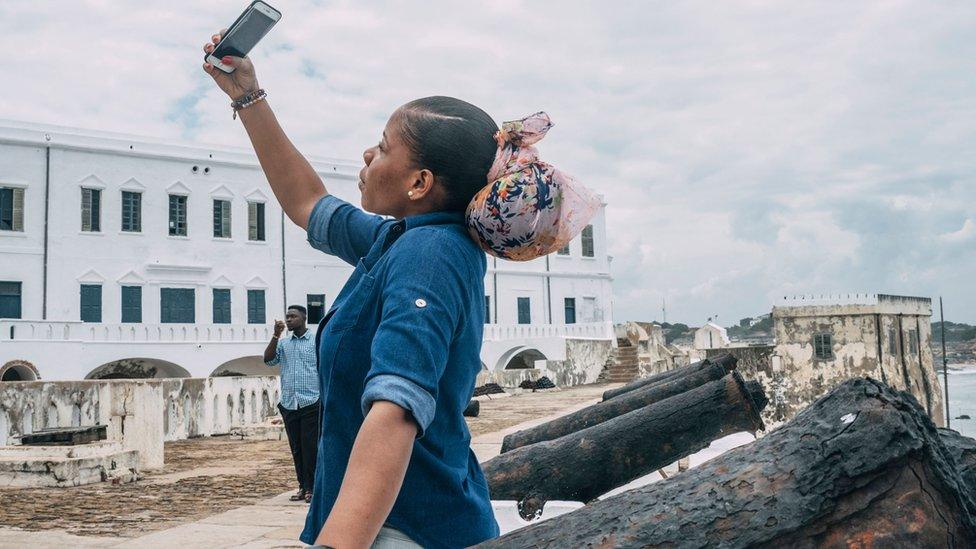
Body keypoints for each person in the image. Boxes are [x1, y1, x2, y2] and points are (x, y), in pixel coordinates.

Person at [202, 29, 594, 548]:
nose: (367, 153)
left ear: (418, 184)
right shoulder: (404, 239)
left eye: (383, 147)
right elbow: (306, 202)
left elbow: (395, 411)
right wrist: (247, 96)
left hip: (404, 530)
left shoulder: (427, 256)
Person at [264, 305, 319, 504]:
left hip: (311, 401)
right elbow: (268, 360)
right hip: (289, 403)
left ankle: (312, 488)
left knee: (310, 447)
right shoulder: (283, 343)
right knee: (296, 448)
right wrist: (276, 335)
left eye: (293, 316)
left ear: (304, 318)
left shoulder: (316, 341)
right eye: (287, 316)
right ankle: (302, 486)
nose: (289, 320)